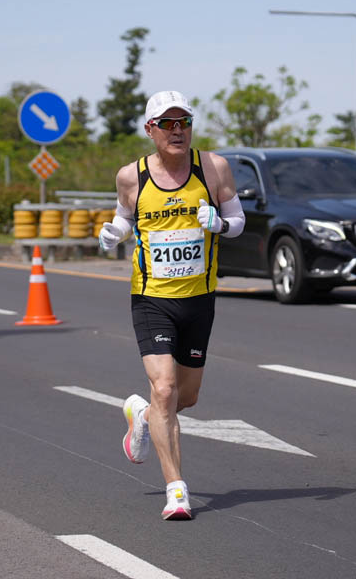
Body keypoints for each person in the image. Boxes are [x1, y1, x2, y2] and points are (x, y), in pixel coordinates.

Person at [99, 90, 246, 520]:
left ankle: (141, 415)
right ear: (151, 130)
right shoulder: (132, 176)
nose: (177, 130)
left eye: (184, 121)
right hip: (152, 298)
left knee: (185, 397)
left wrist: (220, 223)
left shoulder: (213, 167)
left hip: (199, 299)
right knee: (164, 388)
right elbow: (125, 217)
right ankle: (176, 491)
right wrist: (113, 234)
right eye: (168, 123)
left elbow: (238, 222)